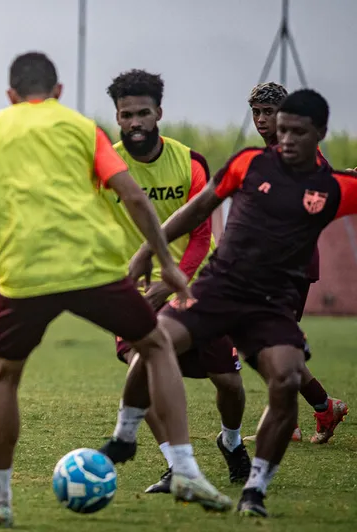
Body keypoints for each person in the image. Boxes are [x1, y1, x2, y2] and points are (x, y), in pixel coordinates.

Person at [0, 52, 232, 527]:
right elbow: (134, 197)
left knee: (4, 379)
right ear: (58, 92)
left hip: (26, 275)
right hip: (92, 267)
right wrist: (166, 261)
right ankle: (184, 469)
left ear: (11, 96)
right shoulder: (84, 129)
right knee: (156, 344)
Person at [126, 89, 357, 517]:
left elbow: (332, 183)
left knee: (280, 365)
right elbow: (199, 209)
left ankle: (301, 423)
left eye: (274, 115)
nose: (269, 125)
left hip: (286, 279)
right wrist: (146, 254)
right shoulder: (249, 161)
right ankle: (130, 439)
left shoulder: (316, 171)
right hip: (224, 283)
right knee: (165, 348)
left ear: (315, 132)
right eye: (262, 115)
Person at [103, 69, 250, 494]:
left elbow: (202, 232)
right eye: (126, 115)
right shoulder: (107, 165)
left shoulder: (189, 162)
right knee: (141, 367)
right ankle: (175, 465)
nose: (134, 123)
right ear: (117, 117)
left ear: (159, 113)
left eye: (143, 113)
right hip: (133, 292)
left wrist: (172, 281)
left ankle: (231, 440)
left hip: (195, 287)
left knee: (230, 384)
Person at [246, 82, 348, 444]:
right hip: (269, 267)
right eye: (256, 111)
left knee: (270, 344)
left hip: (292, 266)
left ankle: (291, 419)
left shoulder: (299, 152)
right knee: (270, 345)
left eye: (268, 112)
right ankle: (321, 409)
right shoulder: (269, 155)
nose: (260, 119)